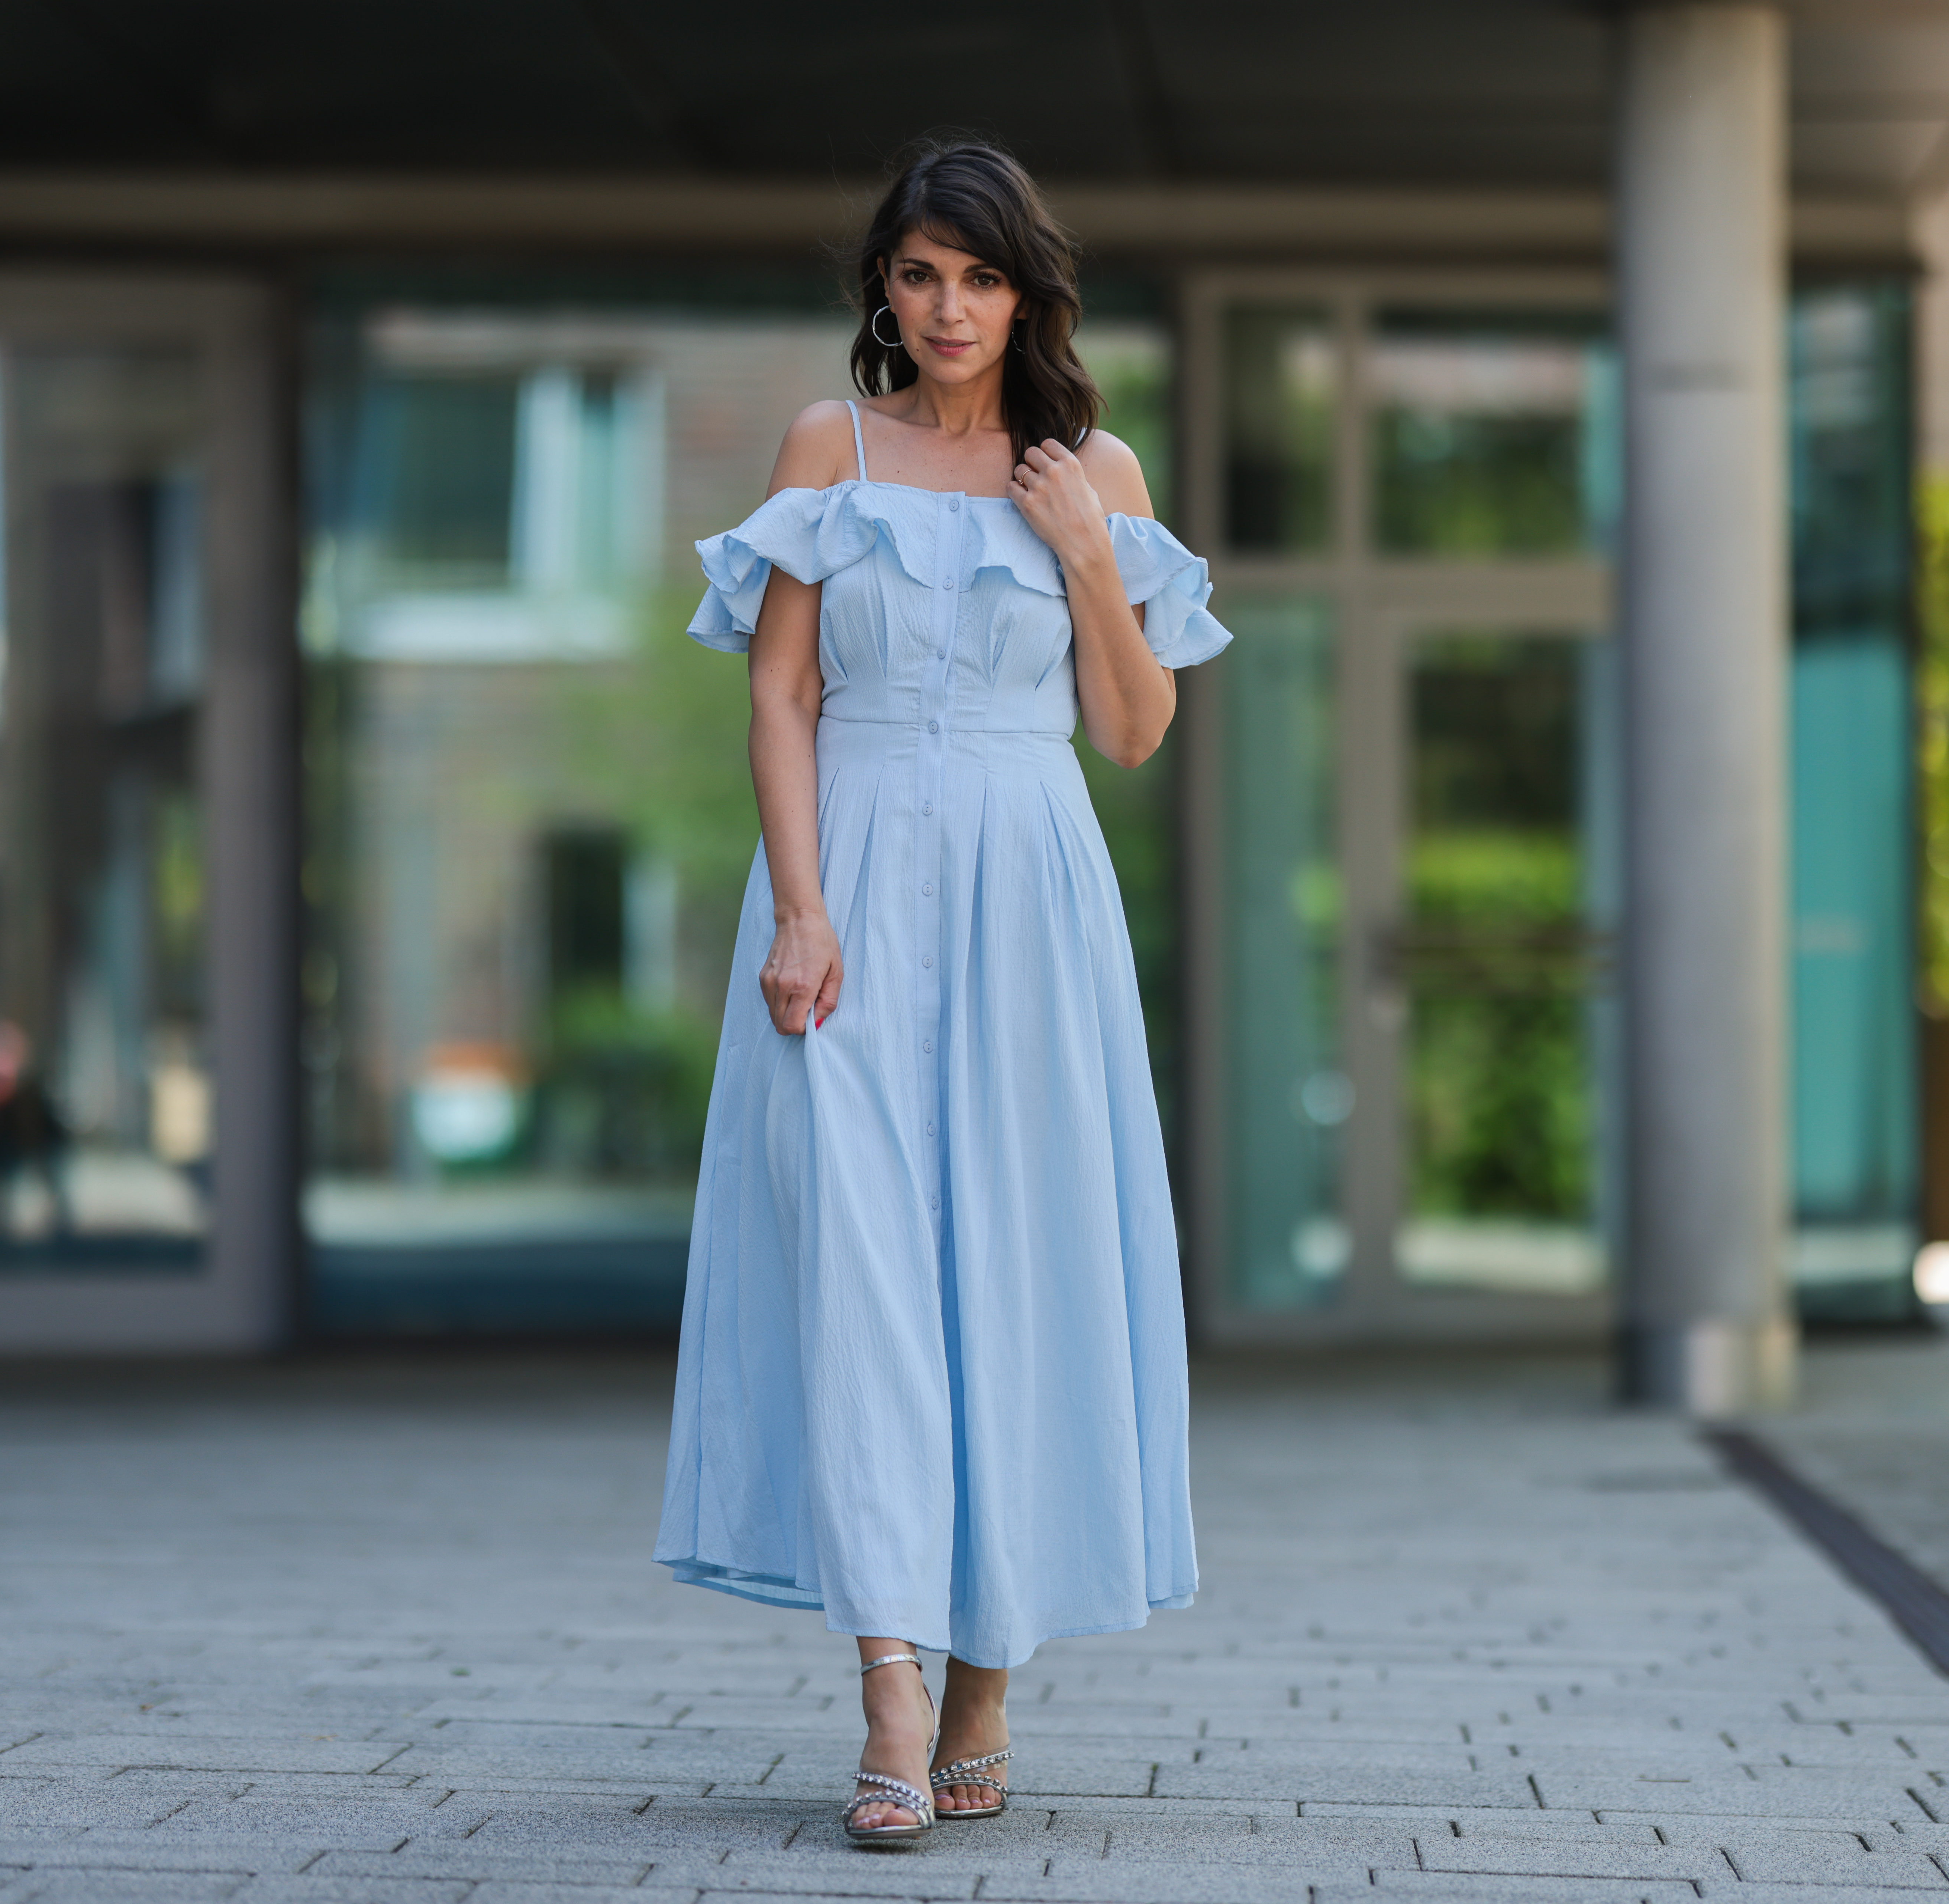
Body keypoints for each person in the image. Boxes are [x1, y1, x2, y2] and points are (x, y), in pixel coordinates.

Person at [652, 138, 1229, 1848]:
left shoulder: (1095, 470)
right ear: (882, 292)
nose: (949, 307)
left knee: (1013, 1261)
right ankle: (892, 1677)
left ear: (1026, 290)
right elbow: (779, 697)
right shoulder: (829, 450)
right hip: (848, 891)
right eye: (919, 274)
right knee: (862, 1262)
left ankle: (987, 1670)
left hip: (1027, 888)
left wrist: (1079, 552)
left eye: (978, 278)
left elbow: (1132, 730)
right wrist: (801, 912)